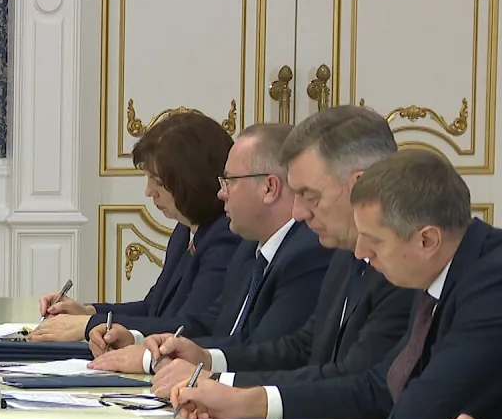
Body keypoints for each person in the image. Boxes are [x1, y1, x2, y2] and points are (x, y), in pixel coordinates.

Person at [171, 149, 502, 419]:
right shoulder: (439, 269)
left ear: (427, 240)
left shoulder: (490, 285)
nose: (361, 253)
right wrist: (247, 402)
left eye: (374, 241)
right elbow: (381, 385)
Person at [144, 106, 414, 395]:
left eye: (310, 196)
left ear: (358, 186)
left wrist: (227, 386)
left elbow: (360, 384)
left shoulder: (401, 266)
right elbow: (303, 347)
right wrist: (207, 361)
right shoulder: (342, 254)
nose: (299, 213)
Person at [87, 123, 330, 374]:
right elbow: (211, 323)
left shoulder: (307, 253)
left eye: (229, 182)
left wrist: (153, 359)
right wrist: (137, 340)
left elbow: (266, 350)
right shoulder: (249, 248)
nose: (221, 194)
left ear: (269, 188)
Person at [31, 112, 240, 342]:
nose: (149, 191)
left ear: (193, 181)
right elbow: (153, 309)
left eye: (158, 182)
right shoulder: (185, 230)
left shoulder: (225, 237)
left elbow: (189, 327)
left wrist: (91, 325)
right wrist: (88, 312)